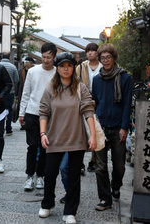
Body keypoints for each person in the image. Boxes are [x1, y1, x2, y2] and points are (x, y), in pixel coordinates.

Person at [38, 52, 96, 224]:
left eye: (69, 66)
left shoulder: (81, 88)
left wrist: (92, 135)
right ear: (57, 68)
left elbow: (88, 111)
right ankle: (47, 203)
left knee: (73, 177)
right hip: (54, 138)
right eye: (62, 66)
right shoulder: (51, 88)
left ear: (73, 68)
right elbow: (43, 112)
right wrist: (42, 134)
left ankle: (70, 211)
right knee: (49, 174)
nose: (65, 69)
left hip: (76, 138)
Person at [91, 43, 132, 211]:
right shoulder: (97, 79)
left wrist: (124, 127)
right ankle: (104, 199)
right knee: (100, 166)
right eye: (102, 58)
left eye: (108, 57)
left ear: (114, 58)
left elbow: (127, 104)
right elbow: (94, 102)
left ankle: (116, 186)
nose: (105, 60)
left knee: (119, 166)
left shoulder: (125, 77)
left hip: (117, 127)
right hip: (101, 126)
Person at [19, 43, 57, 191]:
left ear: (54, 57)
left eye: (49, 57)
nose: (46, 60)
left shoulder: (57, 72)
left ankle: (40, 175)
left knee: (45, 146)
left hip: (50, 114)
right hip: (32, 112)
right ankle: (29, 176)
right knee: (32, 146)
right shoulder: (33, 71)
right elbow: (26, 93)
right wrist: (22, 112)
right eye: (43, 57)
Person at [76, 42, 102, 172]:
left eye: (93, 50)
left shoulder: (103, 66)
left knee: (96, 129)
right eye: (88, 51)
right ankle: (79, 162)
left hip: (99, 102)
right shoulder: (81, 67)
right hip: (83, 101)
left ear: (98, 52)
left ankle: (93, 159)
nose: (90, 53)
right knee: (82, 131)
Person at [0, 54, 19, 135]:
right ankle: (8, 128)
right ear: (9, 57)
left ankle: (0, 128)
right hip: (10, 92)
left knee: (0, 110)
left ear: (1, 57)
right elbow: (17, 80)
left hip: (0, 93)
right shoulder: (13, 67)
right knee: (9, 110)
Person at [16, 57, 35, 130]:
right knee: (22, 107)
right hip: (22, 92)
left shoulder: (34, 71)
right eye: (25, 62)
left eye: (28, 62)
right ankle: (23, 124)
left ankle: (28, 123)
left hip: (32, 92)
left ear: (31, 63)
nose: (26, 63)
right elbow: (18, 82)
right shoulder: (21, 71)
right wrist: (16, 94)